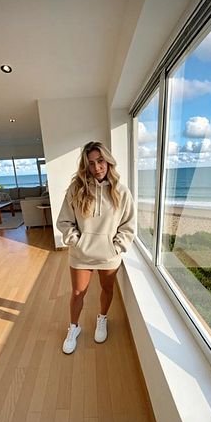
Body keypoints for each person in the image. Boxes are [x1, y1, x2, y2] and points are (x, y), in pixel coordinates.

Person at [56, 140, 135, 354]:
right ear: (85, 166)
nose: (97, 167)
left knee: (107, 289)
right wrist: (77, 242)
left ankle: (102, 319)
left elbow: (128, 225)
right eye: (91, 163)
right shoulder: (76, 189)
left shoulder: (121, 191)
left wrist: (117, 247)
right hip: (81, 253)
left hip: (109, 255)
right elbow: (64, 221)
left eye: (100, 161)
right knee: (78, 292)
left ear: (108, 161)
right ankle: (74, 327)